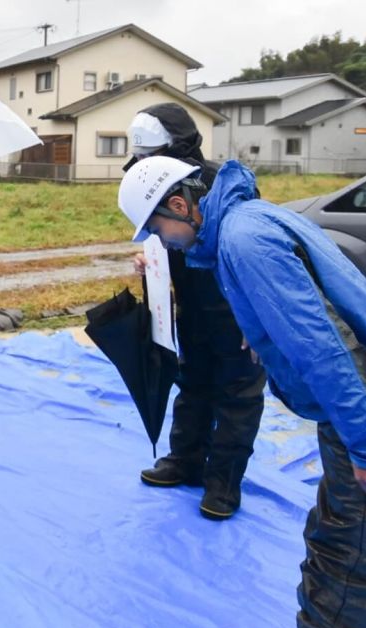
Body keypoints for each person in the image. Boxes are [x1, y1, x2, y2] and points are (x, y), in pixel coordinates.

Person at [118, 156, 366, 628]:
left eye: (157, 228)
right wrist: (261, 331)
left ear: (179, 205)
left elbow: (327, 351)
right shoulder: (252, 220)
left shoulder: (243, 241)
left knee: (354, 564)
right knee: (332, 539)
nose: (162, 240)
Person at [125, 103, 266, 520]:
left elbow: (253, 253)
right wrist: (149, 262)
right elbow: (160, 234)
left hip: (233, 306)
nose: (146, 166)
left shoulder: (221, 186)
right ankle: (185, 459)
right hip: (190, 305)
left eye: (152, 158)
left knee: (238, 393)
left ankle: (224, 481)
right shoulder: (154, 181)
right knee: (193, 382)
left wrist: (254, 315)